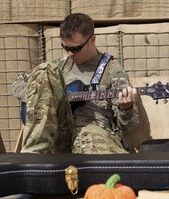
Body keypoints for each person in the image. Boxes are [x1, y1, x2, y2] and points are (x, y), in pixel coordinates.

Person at [15, 13, 138, 154]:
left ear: (92, 40)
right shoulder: (60, 66)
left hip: (93, 130)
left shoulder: (112, 70)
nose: (70, 53)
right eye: (65, 47)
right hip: (56, 130)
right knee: (45, 70)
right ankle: (36, 156)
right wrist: (45, 97)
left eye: (76, 48)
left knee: (92, 146)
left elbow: (128, 126)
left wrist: (126, 108)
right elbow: (17, 83)